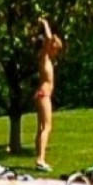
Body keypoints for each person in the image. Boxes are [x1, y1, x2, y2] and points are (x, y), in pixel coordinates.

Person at [31, 17, 63, 171]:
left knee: (41, 128)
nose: (56, 51)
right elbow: (49, 38)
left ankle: (39, 157)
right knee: (47, 127)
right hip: (44, 95)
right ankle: (41, 159)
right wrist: (44, 23)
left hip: (41, 94)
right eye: (55, 48)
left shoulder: (47, 59)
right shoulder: (43, 56)